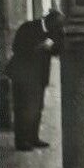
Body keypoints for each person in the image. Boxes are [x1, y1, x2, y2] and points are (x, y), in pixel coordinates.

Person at [6, 12, 59, 151]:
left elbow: (58, 48)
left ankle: (33, 138)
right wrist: (40, 47)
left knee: (37, 108)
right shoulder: (28, 27)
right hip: (23, 75)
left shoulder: (52, 31)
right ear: (47, 22)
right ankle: (21, 141)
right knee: (23, 108)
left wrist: (52, 46)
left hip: (39, 76)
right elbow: (17, 48)